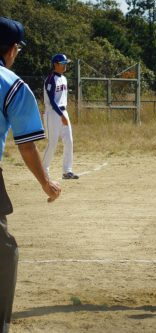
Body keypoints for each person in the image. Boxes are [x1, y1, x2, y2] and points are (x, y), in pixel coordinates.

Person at [0, 17, 61, 333]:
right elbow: (26, 146)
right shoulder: (11, 83)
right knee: (3, 253)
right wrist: (46, 183)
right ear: (11, 50)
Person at [42, 53, 79, 179]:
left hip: (63, 112)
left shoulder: (64, 78)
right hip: (52, 113)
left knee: (69, 141)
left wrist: (63, 114)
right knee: (52, 142)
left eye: (66, 64)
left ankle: (67, 171)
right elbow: (52, 101)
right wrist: (60, 115)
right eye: (63, 64)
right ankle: (44, 171)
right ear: (55, 64)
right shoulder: (50, 79)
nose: (65, 66)